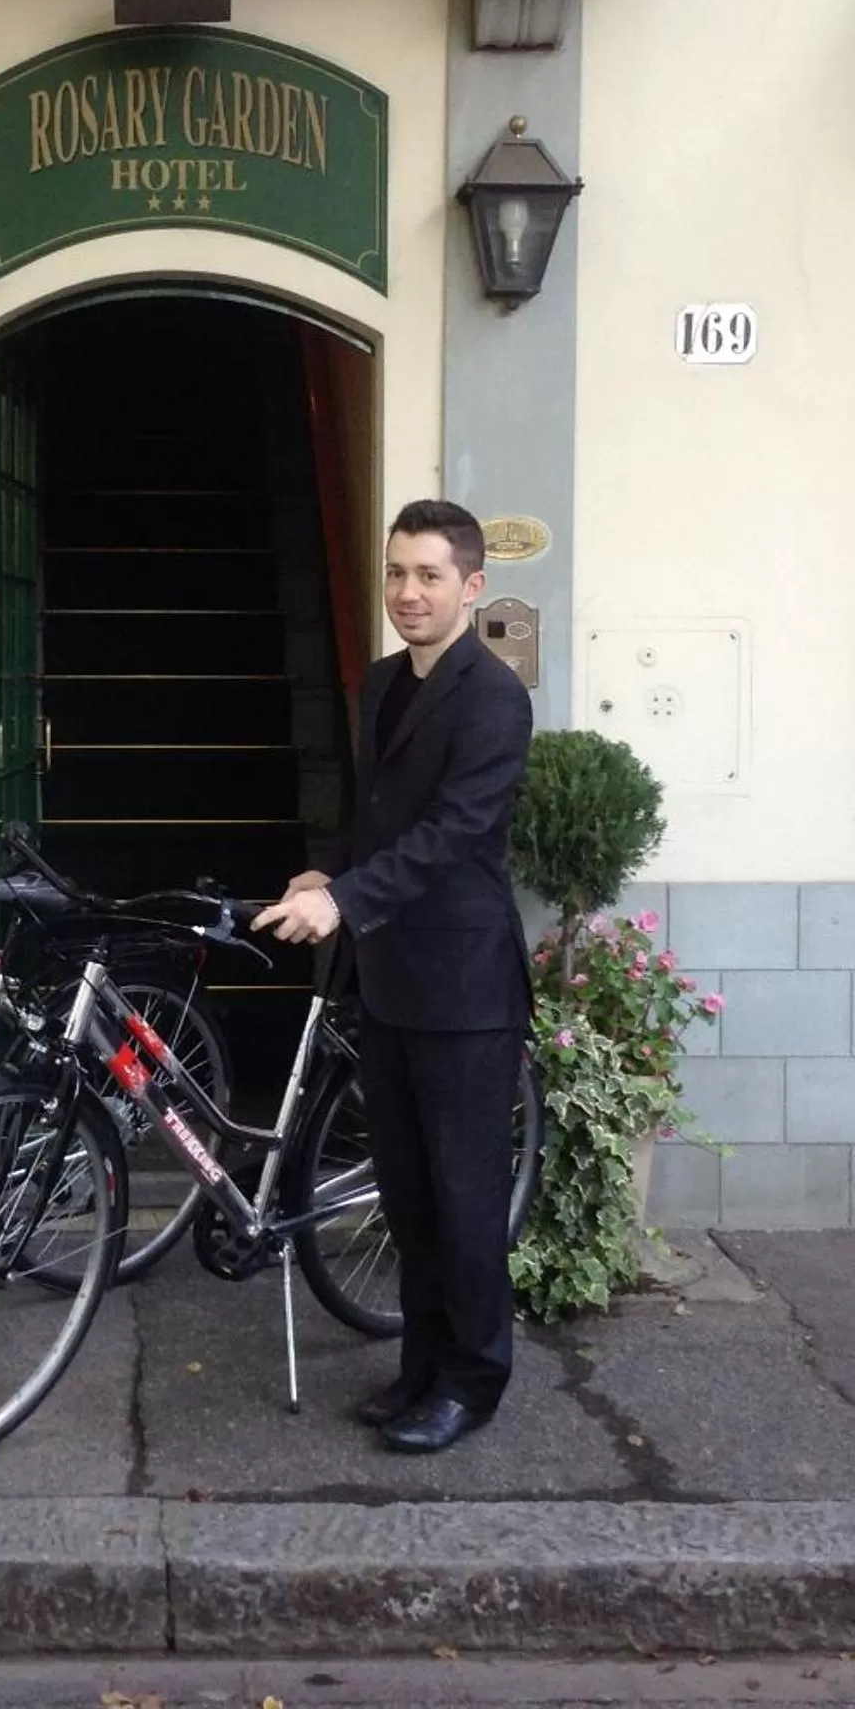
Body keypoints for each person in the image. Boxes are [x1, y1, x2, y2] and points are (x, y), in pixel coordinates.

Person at [254, 498, 534, 1454]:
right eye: (396, 572)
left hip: (465, 990)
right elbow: (379, 818)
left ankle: (473, 1381)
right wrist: (330, 871)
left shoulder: (494, 698)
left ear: (472, 585)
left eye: (428, 575)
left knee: (464, 1200)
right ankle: (421, 1368)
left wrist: (347, 900)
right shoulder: (381, 683)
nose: (407, 592)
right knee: (409, 1197)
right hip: (390, 981)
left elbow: (453, 834)